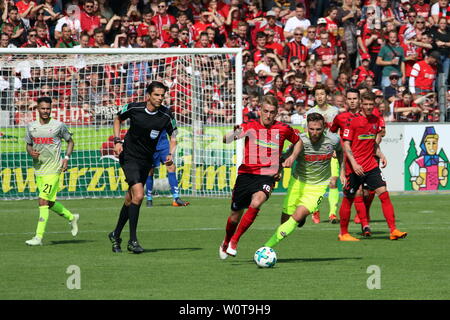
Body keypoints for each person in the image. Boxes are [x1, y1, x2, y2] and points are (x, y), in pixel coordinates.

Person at [219, 95, 300, 259]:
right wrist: (233, 133)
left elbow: (298, 141)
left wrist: (291, 157)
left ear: (276, 113)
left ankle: (235, 241)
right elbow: (225, 140)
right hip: (246, 175)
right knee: (235, 216)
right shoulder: (249, 126)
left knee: (257, 201)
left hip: (267, 176)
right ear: (260, 110)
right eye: (265, 111)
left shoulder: (283, 128)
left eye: (272, 112)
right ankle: (226, 240)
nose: (268, 115)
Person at [109, 81, 178, 254]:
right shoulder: (134, 108)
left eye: (162, 95)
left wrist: (170, 154)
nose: (160, 98)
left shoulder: (166, 114)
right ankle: (133, 240)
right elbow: (117, 118)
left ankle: (116, 234)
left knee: (130, 199)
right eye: (156, 95)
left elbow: (174, 136)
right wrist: (117, 140)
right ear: (148, 95)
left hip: (146, 160)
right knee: (139, 195)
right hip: (129, 157)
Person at [264, 112, 342, 249]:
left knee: (298, 215)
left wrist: (343, 171)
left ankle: (267, 247)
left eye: (318, 129)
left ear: (324, 127)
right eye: (311, 129)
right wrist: (279, 171)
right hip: (297, 182)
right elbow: (285, 157)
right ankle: (289, 227)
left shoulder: (333, 140)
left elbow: (342, 152)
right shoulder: (299, 140)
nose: (315, 133)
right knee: (285, 218)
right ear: (307, 127)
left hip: (318, 186)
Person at [338, 92, 408, 241]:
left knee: (383, 192)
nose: (369, 107)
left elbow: (372, 143)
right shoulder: (352, 121)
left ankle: (393, 230)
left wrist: (381, 154)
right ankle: (343, 233)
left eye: (371, 105)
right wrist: (354, 163)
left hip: (370, 165)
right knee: (349, 198)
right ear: (361, 104)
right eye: (366, 104)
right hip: (354, 167)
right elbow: (346, 145)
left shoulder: (376, 120)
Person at [24, 97, 79, 246]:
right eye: (43, 108)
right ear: (37, 109)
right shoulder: (31, 127)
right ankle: (71, 217)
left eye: (48, 108)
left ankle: (38, 237)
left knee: (42, 200)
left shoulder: (58, 126)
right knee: (48, 202)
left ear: (51, 109)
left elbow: (70, 142)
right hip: (39, 170)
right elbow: (28, 145)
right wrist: (31, 152)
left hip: (54, 169)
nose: (46, 111)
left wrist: (66, 158)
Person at [303, 84, 340, 224]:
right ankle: (315, 209)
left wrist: (337, 147)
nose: (319, 97)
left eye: (322, 94)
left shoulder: (334, 111)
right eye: (317, 94)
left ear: (326, 96)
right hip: (317, 152)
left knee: (333, 182)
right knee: (317, 183)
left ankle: (332, 213)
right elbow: (307, 133)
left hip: (331, 150)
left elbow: (339, 130)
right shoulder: (310, 112)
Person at [145, 129, 190, 207]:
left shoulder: (168, 117)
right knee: (150, 171)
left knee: (171, 167)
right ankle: (149, 198)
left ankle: (176, 198)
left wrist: (171, 153)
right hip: (149, 146)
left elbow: (173, 136)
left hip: (164, 146)